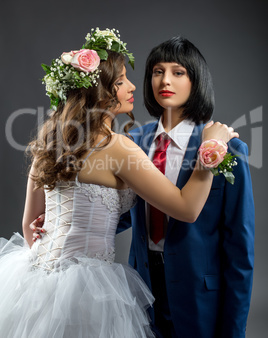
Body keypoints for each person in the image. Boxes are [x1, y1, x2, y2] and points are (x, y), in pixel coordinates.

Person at [6, 28, 236, 338]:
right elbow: (186, 207)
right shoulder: (119, 147)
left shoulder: (49, 141)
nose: (132, 86)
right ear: (98, 93)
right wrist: (212, 147)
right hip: (89, 289)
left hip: (36, 280)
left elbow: (29, 228)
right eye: (120, 81)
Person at [117, 36, 255, 338]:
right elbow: (122, 211)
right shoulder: (132, 143)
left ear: (196, 81)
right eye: (157, 71)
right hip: (142, 285)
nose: (165, 80)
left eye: (178, 72)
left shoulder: (226, 148)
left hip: (200, 293)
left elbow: (239, 247)